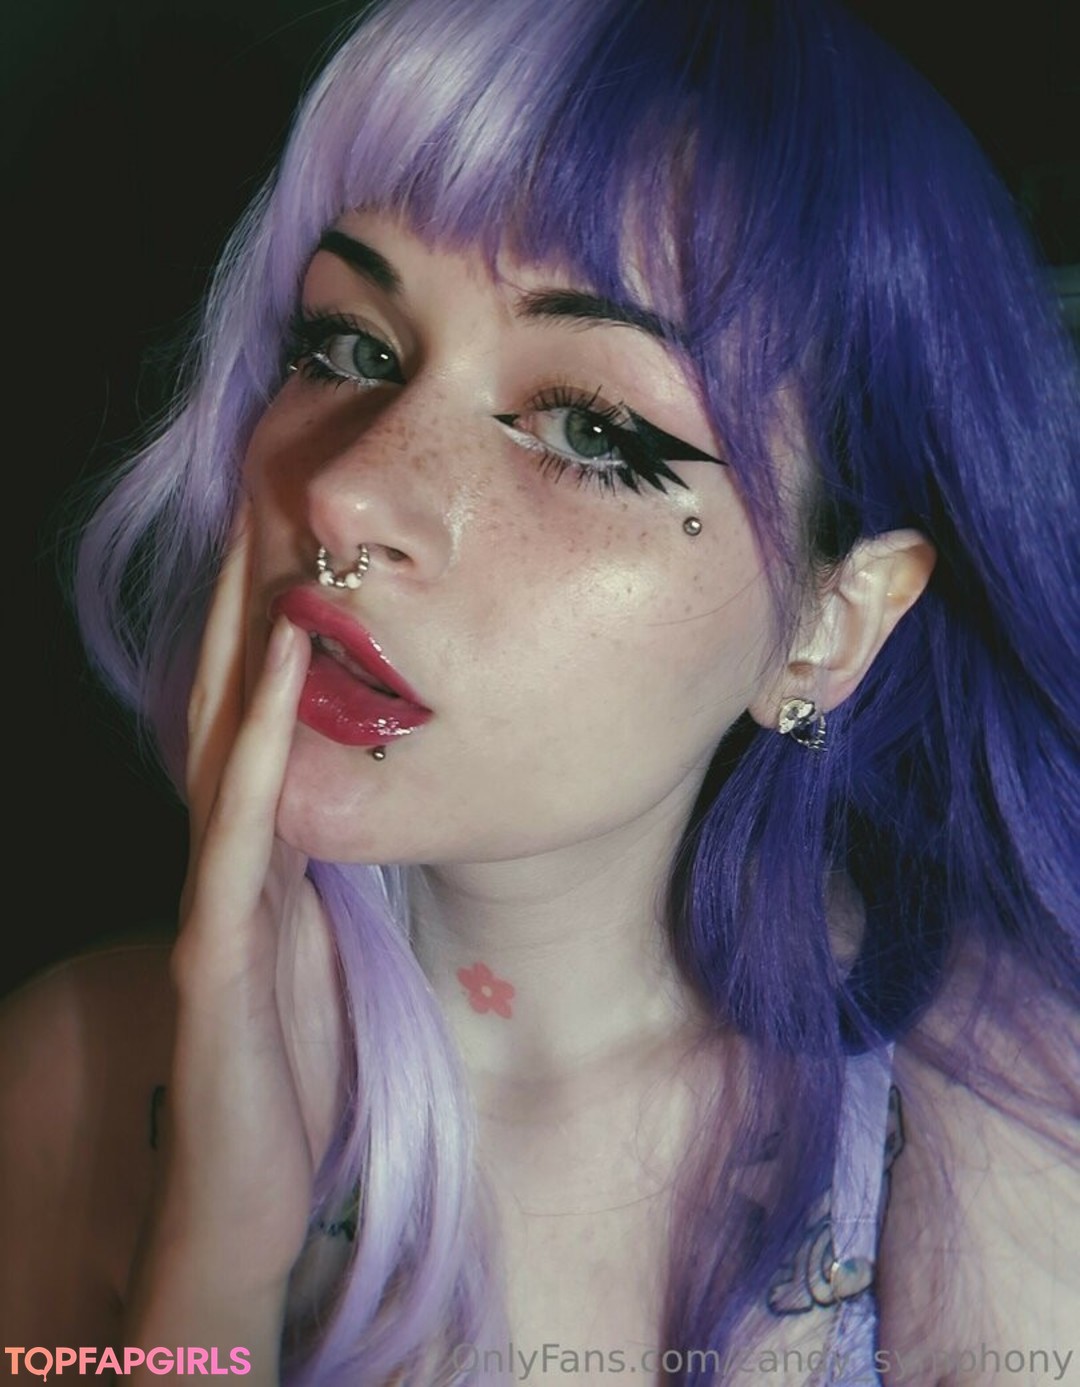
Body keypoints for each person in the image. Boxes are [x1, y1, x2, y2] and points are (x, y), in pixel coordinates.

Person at [1, 0, 1077, 1383]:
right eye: (347, 347)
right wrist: (218, 1255)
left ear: (828, 628)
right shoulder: (73, 1086)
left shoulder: (1007, 1111)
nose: (348, 491)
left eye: (590, 430)